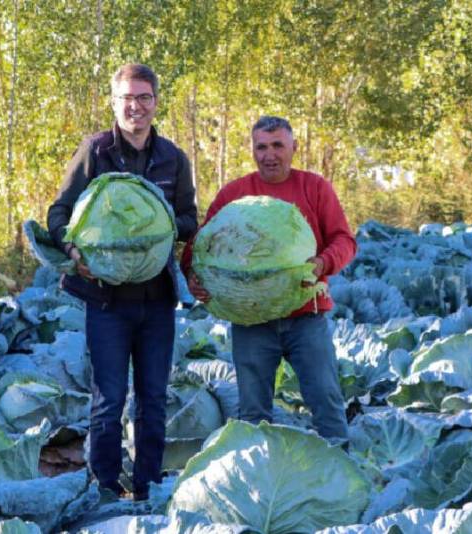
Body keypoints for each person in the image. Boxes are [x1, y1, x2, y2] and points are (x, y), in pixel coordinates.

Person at [46, 63, 197, 501]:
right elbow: (60, 213)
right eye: (127, 98)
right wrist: (75, 252)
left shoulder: (173, 157)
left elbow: (189, 217)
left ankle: (148, 484)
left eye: (144, 97)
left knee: (153, 397)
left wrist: (165, 226)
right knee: (108, 400)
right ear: (113, 102)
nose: (136, 106)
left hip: (156, 299)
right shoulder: (94, 152)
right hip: (106, 299)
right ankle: (104, 487)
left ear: (155, 102)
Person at [183, 116, 353, 442]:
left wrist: (322, 262)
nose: (269, 154)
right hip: (250, 319)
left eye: (278, 145)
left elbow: (344, 241)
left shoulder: (315, 188)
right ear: (252, 149)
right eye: (261, 147)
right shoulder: (234, 193)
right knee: (253, 411)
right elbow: (200, 245)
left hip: (306, 315)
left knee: (326, 400)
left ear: (294, 147)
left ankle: (343, 478)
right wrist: (192, 276)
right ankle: (258, 481)